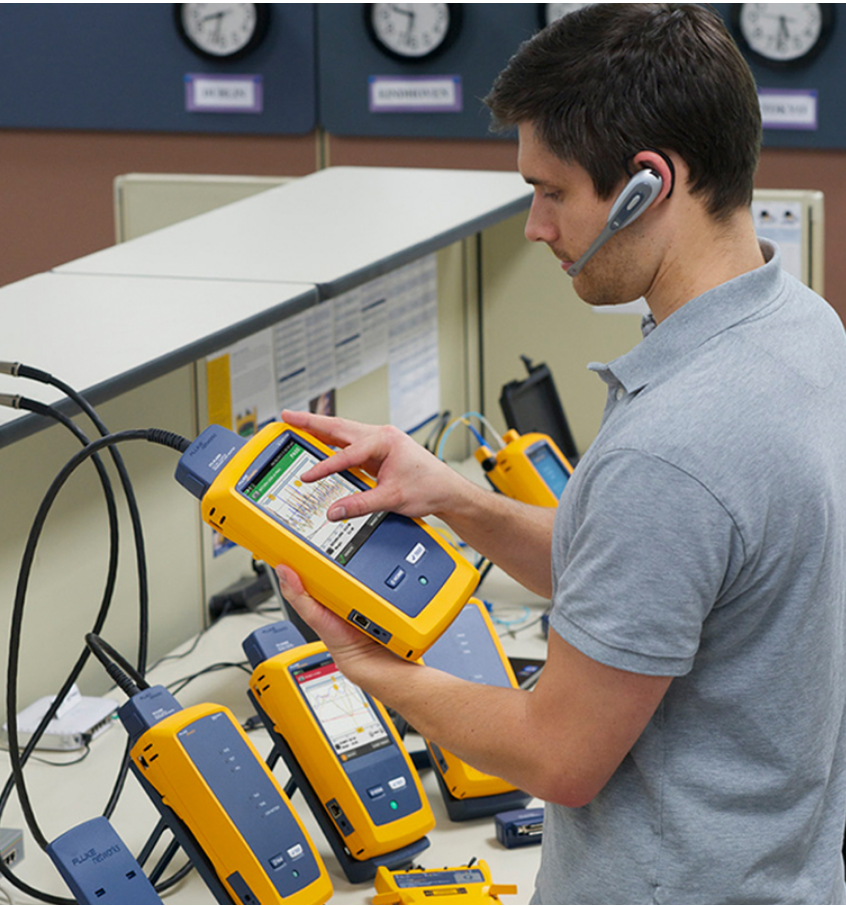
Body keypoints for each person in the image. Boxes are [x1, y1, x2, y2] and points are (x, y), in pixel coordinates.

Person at [276, 5, 846, 903]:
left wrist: (367, 668)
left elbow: (557, 756)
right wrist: (455, 498)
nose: (536, 228)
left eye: (551, 192)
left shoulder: (674, 448)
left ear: (647, 185)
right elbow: (662, 580)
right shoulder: (801, 326)